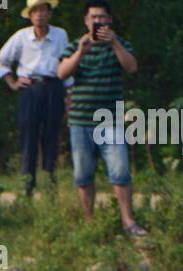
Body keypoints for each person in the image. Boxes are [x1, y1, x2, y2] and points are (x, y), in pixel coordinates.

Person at [58, 2, 147, 235]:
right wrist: (81, 51)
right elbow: (61, 73)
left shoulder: (120, 44)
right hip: (80, 119)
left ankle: (128, 221)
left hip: (110, 120)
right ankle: (89, 221)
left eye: (102, 17)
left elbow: (132, 67)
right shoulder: (75, 46)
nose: (98, 21)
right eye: (93, 17)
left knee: (120, 171)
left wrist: (115, 43)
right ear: (86, 21)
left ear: (110, 21)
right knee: (83, 174)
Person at [0, 2, 69, 197]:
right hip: (30, 88)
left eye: (43, 11)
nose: (39, 15)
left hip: (54, 87)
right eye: (35, 11)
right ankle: (27, 186)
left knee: (52, 136)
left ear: (49, 13)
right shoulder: (21, 36)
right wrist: (12, 82)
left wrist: (70, 92)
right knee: (28, 137)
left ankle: (50, 185)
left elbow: (67, 64)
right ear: (29, 15)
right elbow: (1, 59)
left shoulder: (60, 35)